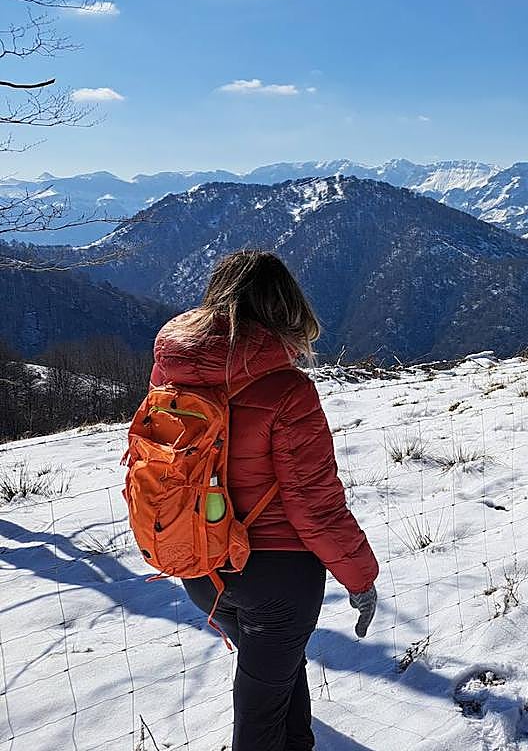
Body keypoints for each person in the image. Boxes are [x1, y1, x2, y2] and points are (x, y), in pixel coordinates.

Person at [150, 250, 379, 751]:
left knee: (277, 674)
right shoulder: (289, 390)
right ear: (286, 308)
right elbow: (314, 506)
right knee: (260, 713)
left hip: (201, 566)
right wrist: (360, 578)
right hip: (276, 578)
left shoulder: (172, 373)